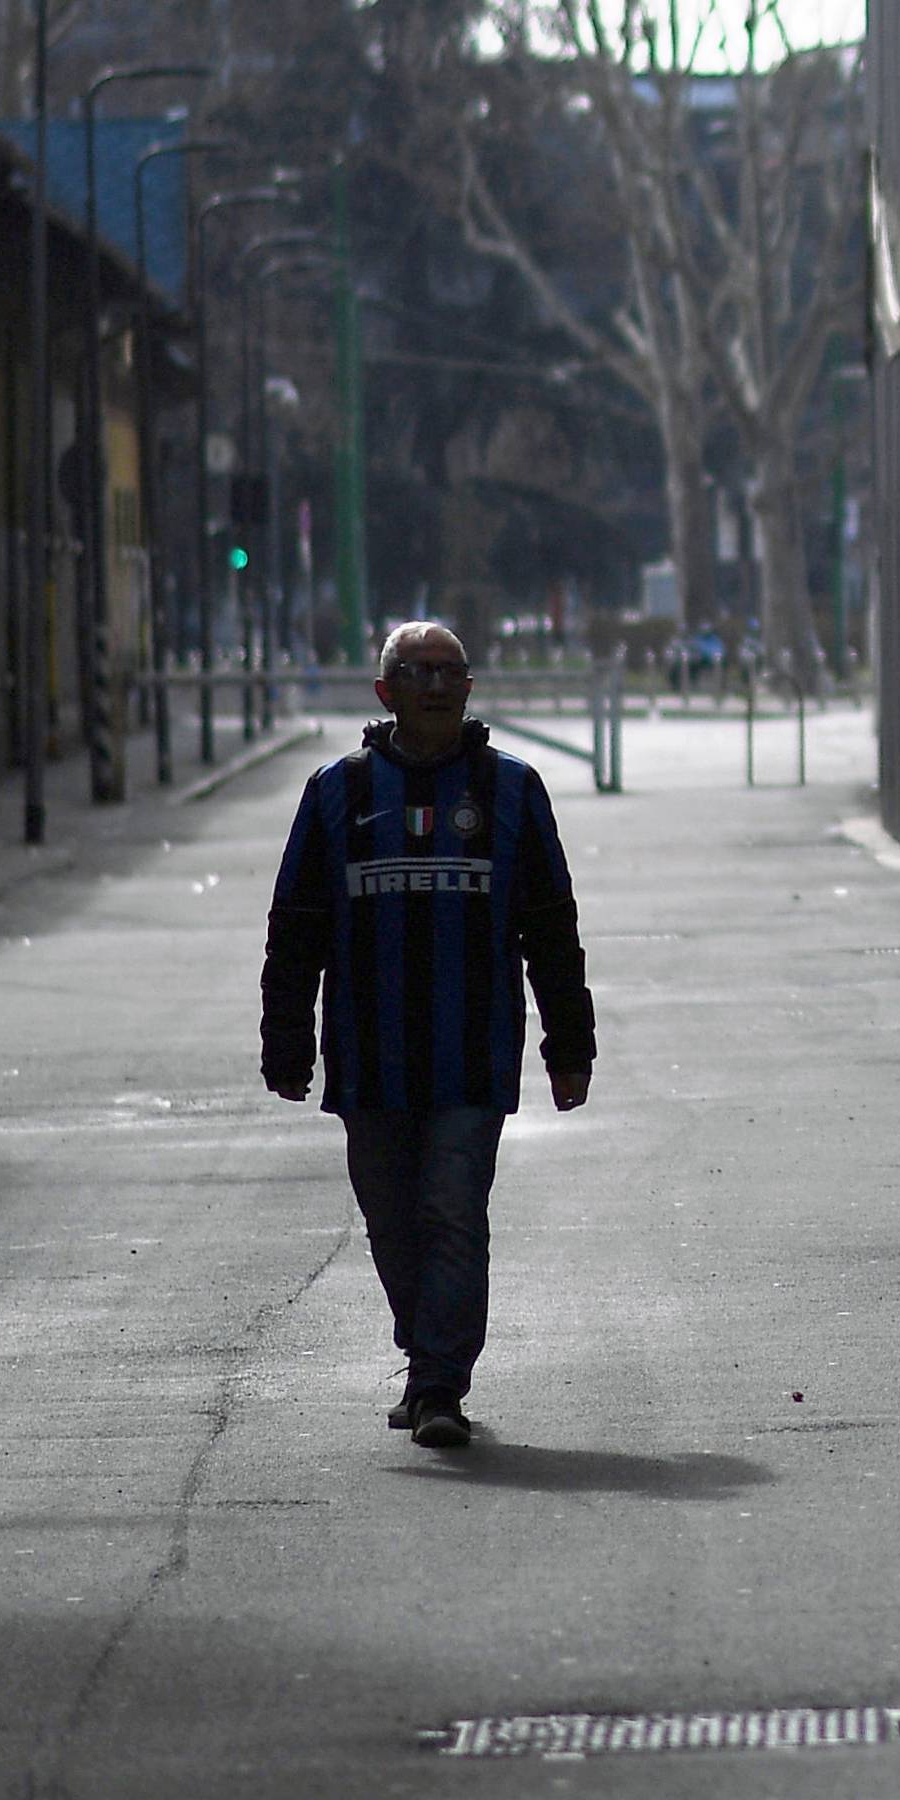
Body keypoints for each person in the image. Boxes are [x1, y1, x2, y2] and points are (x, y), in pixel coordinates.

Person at [260, 619, 596, 1449]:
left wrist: (570, 1045)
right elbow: (296, 928)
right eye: (419, 672)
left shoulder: (512, 792)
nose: (438, 687)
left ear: (471, 690)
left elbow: (552, 927)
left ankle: (441, 1381)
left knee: (452, 1210)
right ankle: (425, 1353)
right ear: (386, 692)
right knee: (391, 1218)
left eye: (452, 672)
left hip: (471, 1057)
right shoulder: (335, 793)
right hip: (369, 1060)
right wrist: (286, 1042)